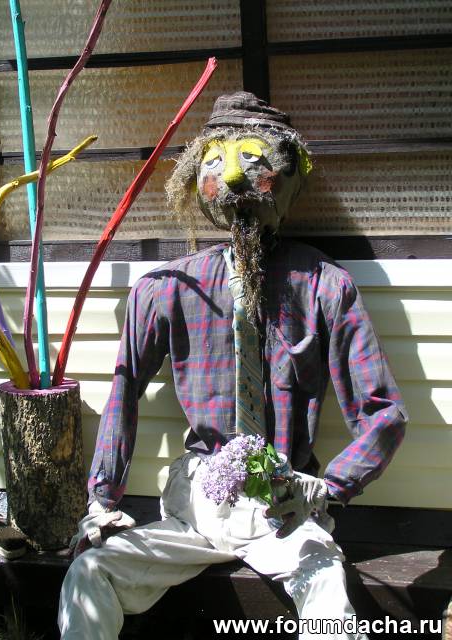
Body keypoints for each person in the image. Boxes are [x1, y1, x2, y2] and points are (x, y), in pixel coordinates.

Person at [58, 92, 408, 640]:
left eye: (254, 160)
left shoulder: (324, 286)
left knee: (327, 591)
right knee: (90, 572)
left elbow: (383, 412)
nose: (236, 177)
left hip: (281, 508)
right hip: (197, 505)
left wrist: (327, 487)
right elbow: (123, 389)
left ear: (290, 179)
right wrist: (102, 499)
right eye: (217, 162)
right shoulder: (167, 290)